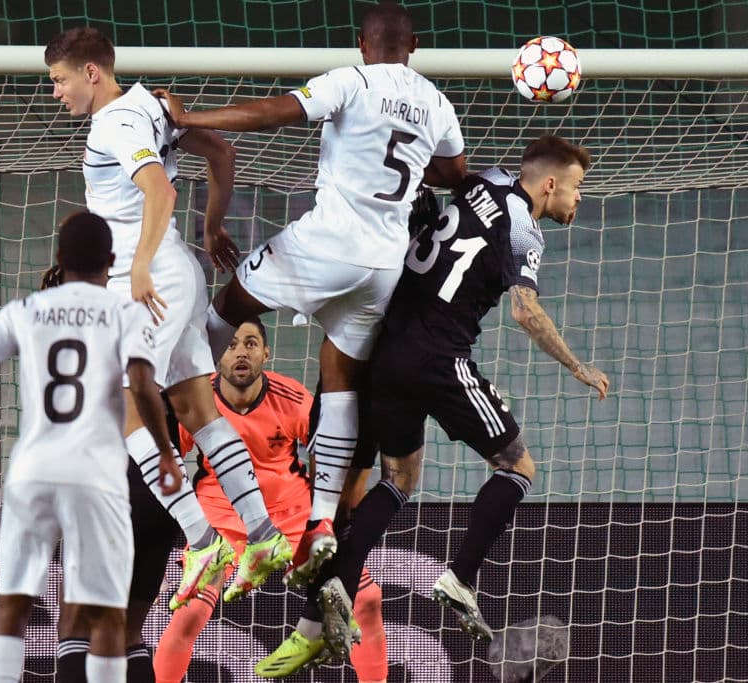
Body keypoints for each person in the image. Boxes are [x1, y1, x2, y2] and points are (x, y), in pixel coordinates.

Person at [262, 134, 612, 676]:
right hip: (437, 357)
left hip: (386, 349)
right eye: (577, 187)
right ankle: (461, 578)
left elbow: (431, 179)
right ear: (549, 183)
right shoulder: (526, 228)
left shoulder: (486, 180)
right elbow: (525, 310)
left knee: (396, 480)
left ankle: (320, 610)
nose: (578, 198)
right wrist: (577, 366)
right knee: (518, 466)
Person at [156, 0, 468, 587]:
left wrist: (191, 117)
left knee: (228, 308)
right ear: (415, 46)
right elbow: (454, 173)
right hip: (383, 263)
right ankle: (321, 521)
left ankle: (183, 414)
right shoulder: (437, 102)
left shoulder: (351, 81)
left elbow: (277, 111)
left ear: (361, 43)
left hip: (325, 243)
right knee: (341, 375)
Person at [45, 26, 293, 607]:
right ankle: (259, 535)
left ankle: (203, 540)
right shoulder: (152, 104)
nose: (55, 93)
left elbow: (159, 191)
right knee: (195, 409)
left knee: (121, 398)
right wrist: (211, 228)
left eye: (58, 81)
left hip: (150, 277)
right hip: (178, 268)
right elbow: (222, 152)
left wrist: (139, 267)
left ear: (91, 73)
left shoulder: (115, 123)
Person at [0, 210, 182, 683]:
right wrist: (164, 451)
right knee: (120, 624)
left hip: (39, 468)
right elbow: (144, 384)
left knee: (25, 612)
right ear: (113, 261)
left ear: (59, 259)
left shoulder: (32, 312)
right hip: (117, 476)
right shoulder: (139, 305)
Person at [152, 318, 389, 683]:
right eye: (231, 345)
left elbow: (331, 449)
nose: (240, 352)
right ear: (218, 355)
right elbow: (162, 460)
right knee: (188, 614)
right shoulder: (196, 401)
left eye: (250, 343)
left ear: (266, 352)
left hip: (291, 515)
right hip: (221, 517)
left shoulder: (291, 397)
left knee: (367, 600)